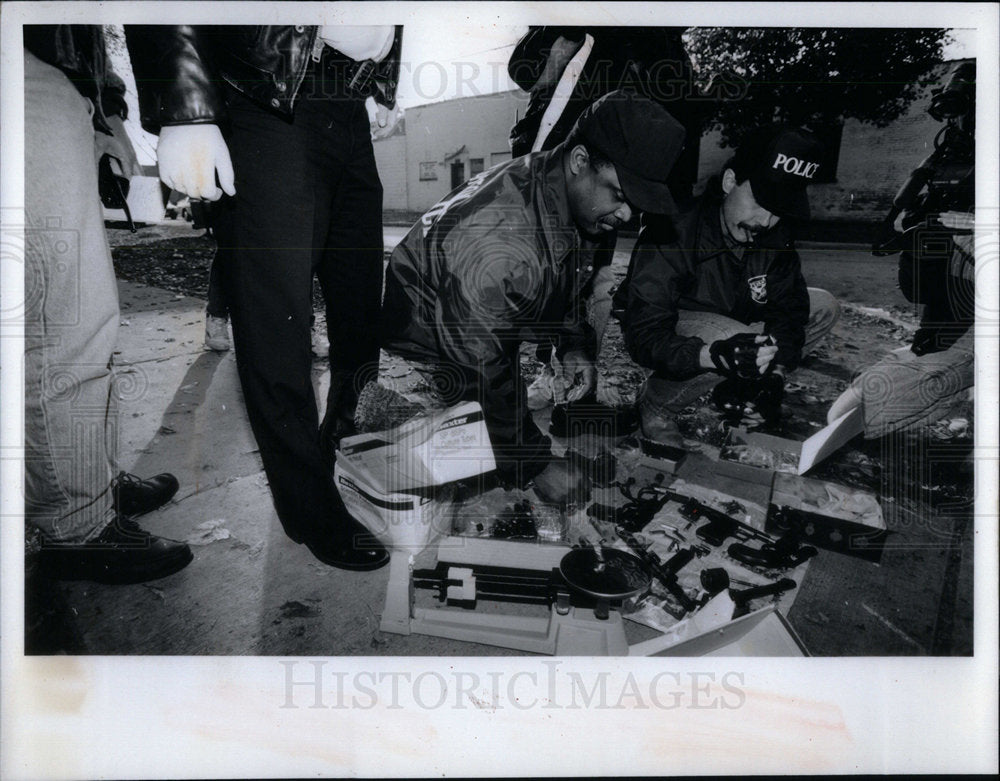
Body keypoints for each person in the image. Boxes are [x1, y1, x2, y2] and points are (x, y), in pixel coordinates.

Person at [126, 25, 403, 570]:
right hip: (265, 96)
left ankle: (340, 449)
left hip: (347, 100)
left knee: (359, 306)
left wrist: (384, 83)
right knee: (276, 323)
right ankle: (307, 505)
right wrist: (187, 107)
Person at [379, 90, 686, 502]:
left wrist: (574, 347)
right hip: (418, 350)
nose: (628, 215)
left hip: (477, 334)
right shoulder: (499, 233)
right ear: (580, 162)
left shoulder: (570, 196)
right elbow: (478, 361)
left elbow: (570, 284)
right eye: (621, 195)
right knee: (458, 481)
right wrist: (532, 461)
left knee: (497, 437)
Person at [23, 25, 193, 584]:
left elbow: (80, 30)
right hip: (27, 75)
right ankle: (75, 522)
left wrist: (106, 113)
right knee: (62, 324)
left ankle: (92, 482)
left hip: (66, 86)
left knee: (81, 315)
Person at [507, 26, 705, 411]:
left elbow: (675, 118)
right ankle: (510, 381)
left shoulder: (659, 40)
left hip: (607, 181)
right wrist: (562, 27)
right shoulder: (572, 24)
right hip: (551, 169)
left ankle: (565, 377)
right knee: (525, 270)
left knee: (589, 278)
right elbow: (524, 71)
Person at [613, 125, 841, 446]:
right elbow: (643, 334)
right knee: (735, 341)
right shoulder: (672, 229)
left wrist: (773, 376)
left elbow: (790, 308)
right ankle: (656, 404)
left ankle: (744, 385)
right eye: (761, 201)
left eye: (779, 210)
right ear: (729, 181)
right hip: (674, 327)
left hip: (731, 324)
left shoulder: (773, 234)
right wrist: (716, 356)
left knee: (823, 306)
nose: (766, 221)